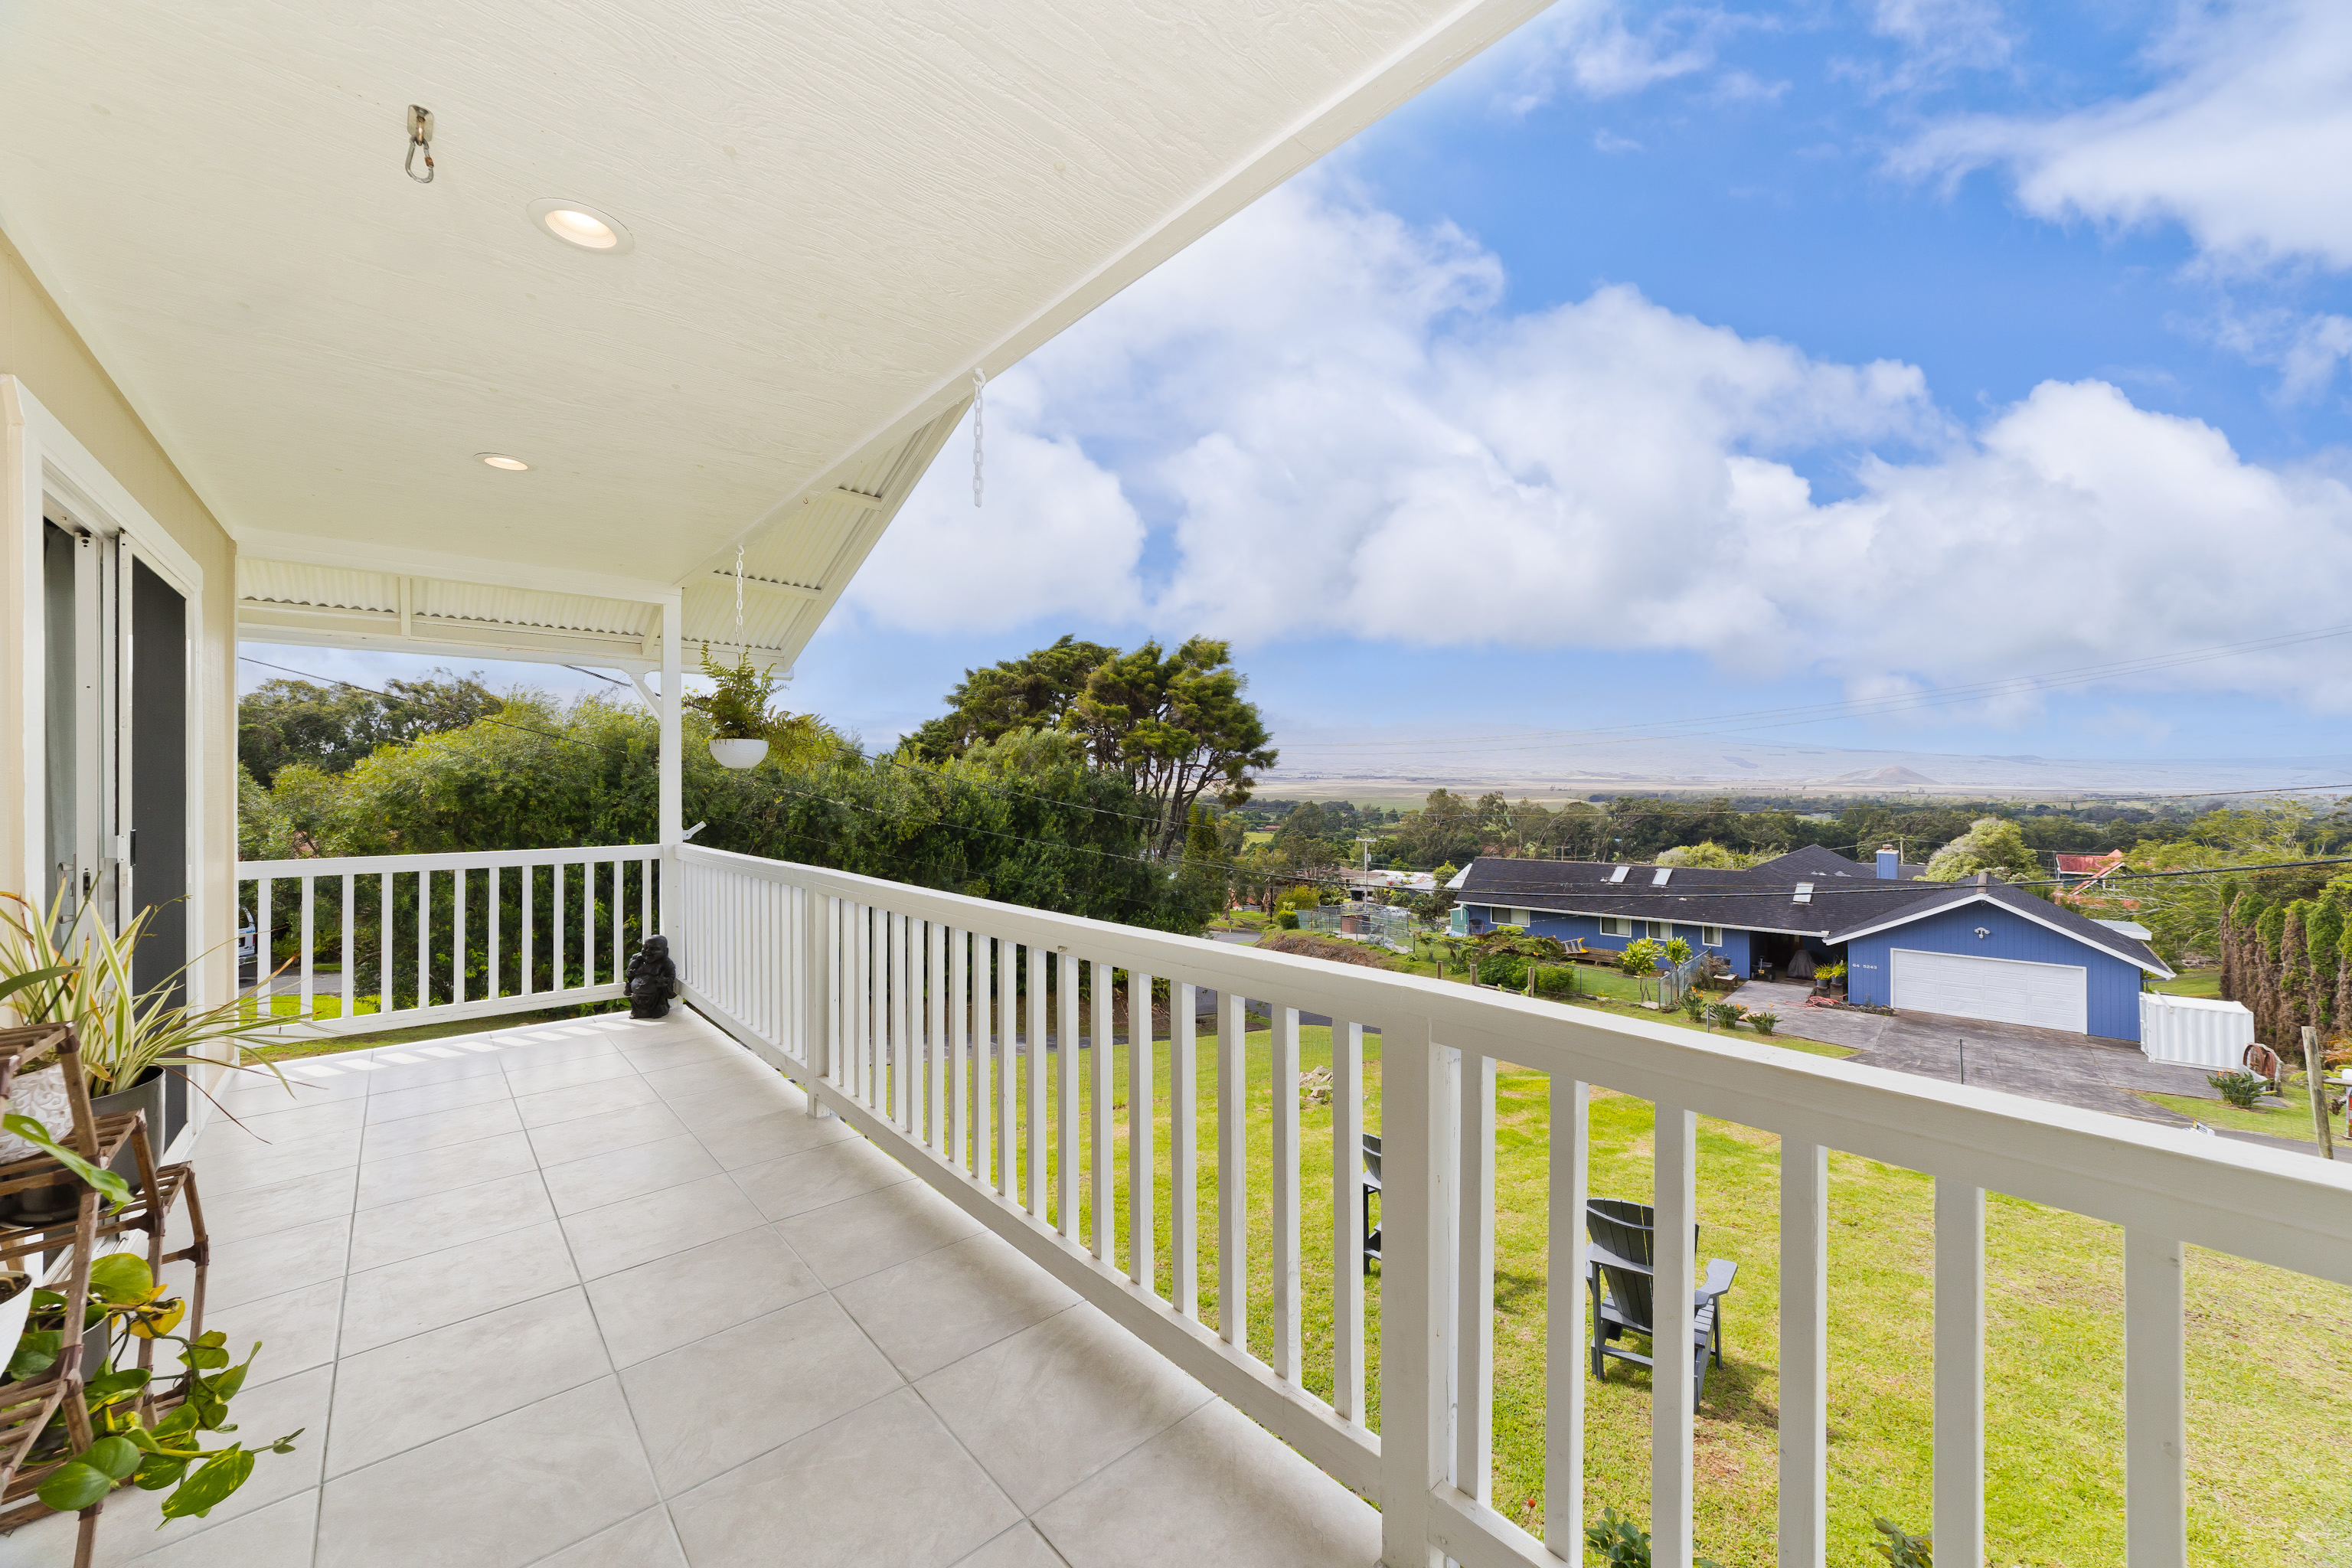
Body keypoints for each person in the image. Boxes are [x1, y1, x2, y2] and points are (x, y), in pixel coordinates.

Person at [626, 934, 679, 1019]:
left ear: (665, 951)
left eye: (654, 949)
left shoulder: (665, 962)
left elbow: (671, 975)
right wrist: (631, 965)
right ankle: (636, 1012)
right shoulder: (638, 960)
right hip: (637, 995)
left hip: (655, 996)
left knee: (656, 1005)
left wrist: (665, 981)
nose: (648, 951)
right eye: (645, 947)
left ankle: (657, 1012)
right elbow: (629, 974)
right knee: (637, 1004)